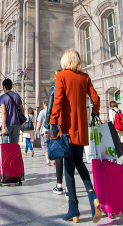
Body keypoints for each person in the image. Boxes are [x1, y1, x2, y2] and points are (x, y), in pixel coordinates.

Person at [50, 49, 101, 223]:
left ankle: (74, 209)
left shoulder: (61, 76)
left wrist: (53, 121)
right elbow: (96, 99)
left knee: (69, 168)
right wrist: (94, 113)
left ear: (65, 61)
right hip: (81, 131)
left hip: (66, 130)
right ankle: (92, 195)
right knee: (79, 162)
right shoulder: (85, 77)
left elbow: (57, 101)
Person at [44, 70, 67, 196]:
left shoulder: (54, 89)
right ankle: (69, 187)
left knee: (59, 155)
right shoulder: (69, 87)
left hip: (56, 124)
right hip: (68, 124)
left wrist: (47, 126)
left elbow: (50, 109)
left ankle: (59, 185)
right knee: (69, 153)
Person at [0, 78, 25, 143]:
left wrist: (3, 128)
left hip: (7, 124)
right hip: (16, 124)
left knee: (6, 147)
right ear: (11, 86)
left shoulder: (2, 97)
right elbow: (22, 110)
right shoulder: (17, 96)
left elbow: (4, 112)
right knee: (14, 146)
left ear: (4, 87)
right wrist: (21, 123)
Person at [35, 100, 51, 166]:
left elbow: (39, 122)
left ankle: (48, 160)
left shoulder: (42, 112)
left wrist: (36, 130)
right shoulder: (52, 111)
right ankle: (55, 159)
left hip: (44, 130)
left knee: (45, 145)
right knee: (51, 145)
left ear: (44, 104)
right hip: (52, 130)